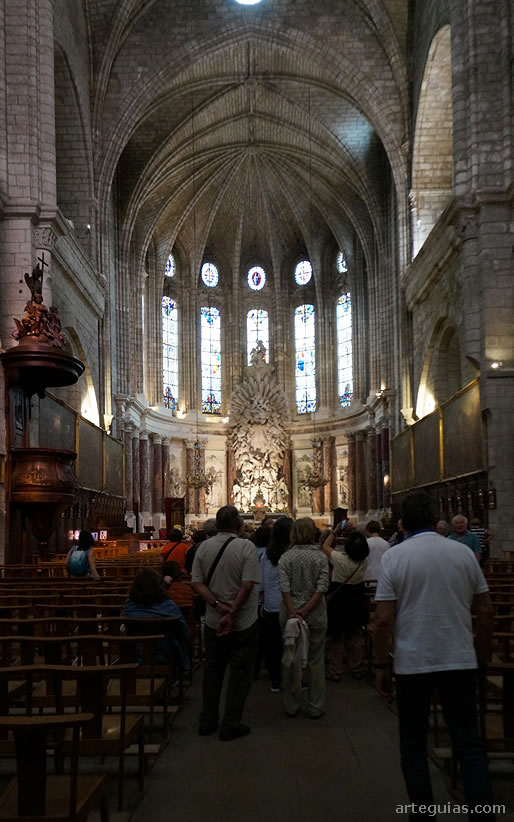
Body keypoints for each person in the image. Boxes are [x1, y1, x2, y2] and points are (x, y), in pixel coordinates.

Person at [373, 492, 494, 819]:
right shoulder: (463, 553)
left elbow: (383, 618)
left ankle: (424, 816)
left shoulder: (395, 557)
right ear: (435, 517)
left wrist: (381, 663)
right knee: (469, 744)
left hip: (413, 663)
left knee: (413, 745)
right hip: (459, 658)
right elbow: (484, 609)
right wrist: (482, 656)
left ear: (402, 522)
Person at [191, 505, 260, 741]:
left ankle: (208, 720)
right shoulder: (246, 546)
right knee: (240, 673)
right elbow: (248, 584)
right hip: (242, 621)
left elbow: (197, 583)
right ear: (238, 524)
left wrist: (218, 606)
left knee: (213, 670)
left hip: (213, 619)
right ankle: (231, 723)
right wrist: (232, 612)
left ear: (218, 524)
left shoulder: (203, 547)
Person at [278, 517, 329, 718]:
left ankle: (291, 705)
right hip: (315, 615)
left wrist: (293, 611)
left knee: (289, 657)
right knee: (316, 661)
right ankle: (316, 706)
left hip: (290, 616)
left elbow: (284, 587)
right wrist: (306, 610)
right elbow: (322, 587)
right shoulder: (320, 557)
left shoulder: (286, 558)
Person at [322, 530, 369, 680]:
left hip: (339, 602)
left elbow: (325, 546)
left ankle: (335, 671)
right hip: (356, 601)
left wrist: (334, 532)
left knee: (337, 638)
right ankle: (357, 668)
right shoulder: (363, 562)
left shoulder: (339, 559)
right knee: (355, 636)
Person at [123, 567, 190, 670]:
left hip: (137, 655)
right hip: (165, 655)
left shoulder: (129, 606)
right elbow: (184, 632)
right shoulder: (169, 606)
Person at [259, 516, 293, 692]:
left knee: (273, 643)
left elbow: (262, 581)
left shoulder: (267, 553)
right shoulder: (293, 553)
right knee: (291, 641)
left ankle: (276, 680)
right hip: (292, 605)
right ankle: (293, 678)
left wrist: (263, 601)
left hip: (271, 603)